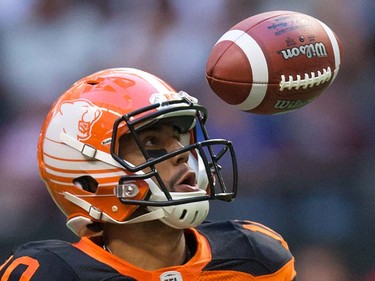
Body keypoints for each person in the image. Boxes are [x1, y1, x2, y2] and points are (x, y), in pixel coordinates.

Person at [0, 68, 296, 280]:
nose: (181, 153)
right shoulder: (55, 273)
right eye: (152, 142)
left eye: (178, 136)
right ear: (89, 178)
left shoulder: (255, 258)